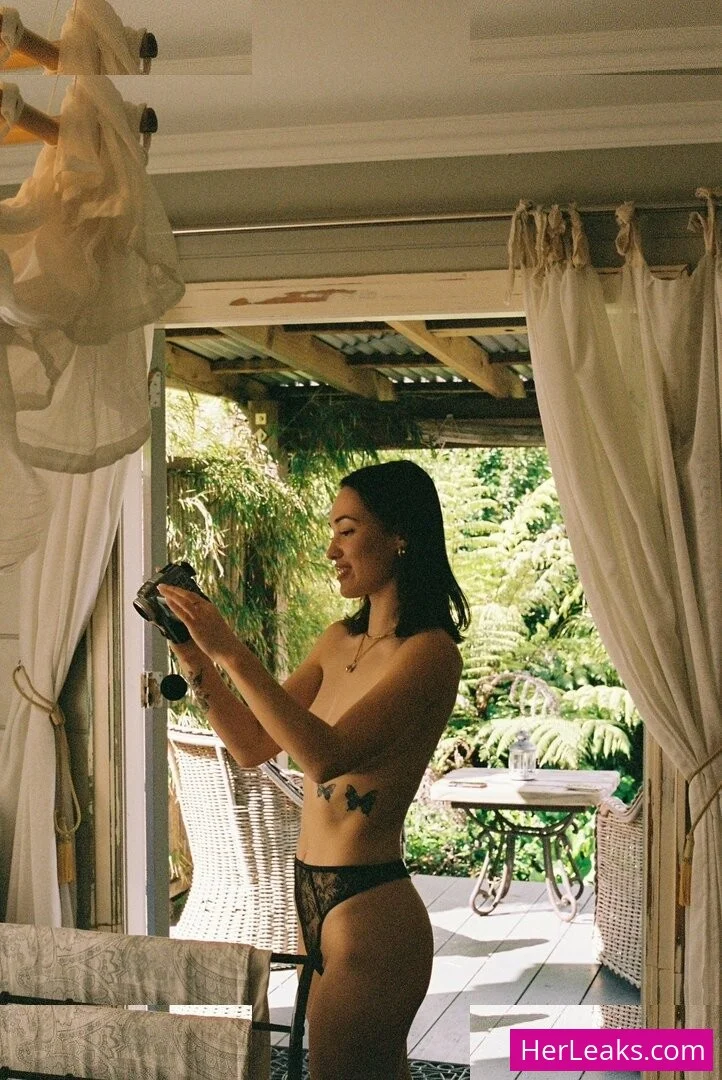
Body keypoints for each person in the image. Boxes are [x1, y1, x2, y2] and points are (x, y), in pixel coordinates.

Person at [159, 459, 470, 1080]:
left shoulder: (430, 653)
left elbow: (323, 756)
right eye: (333, 531)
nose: (332, 550)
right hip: (311, 896)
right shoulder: (335, 640)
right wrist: (192, 651)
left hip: (370, 907)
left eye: (347, 531)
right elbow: (251, 744)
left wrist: (231, 649)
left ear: (400, 535)